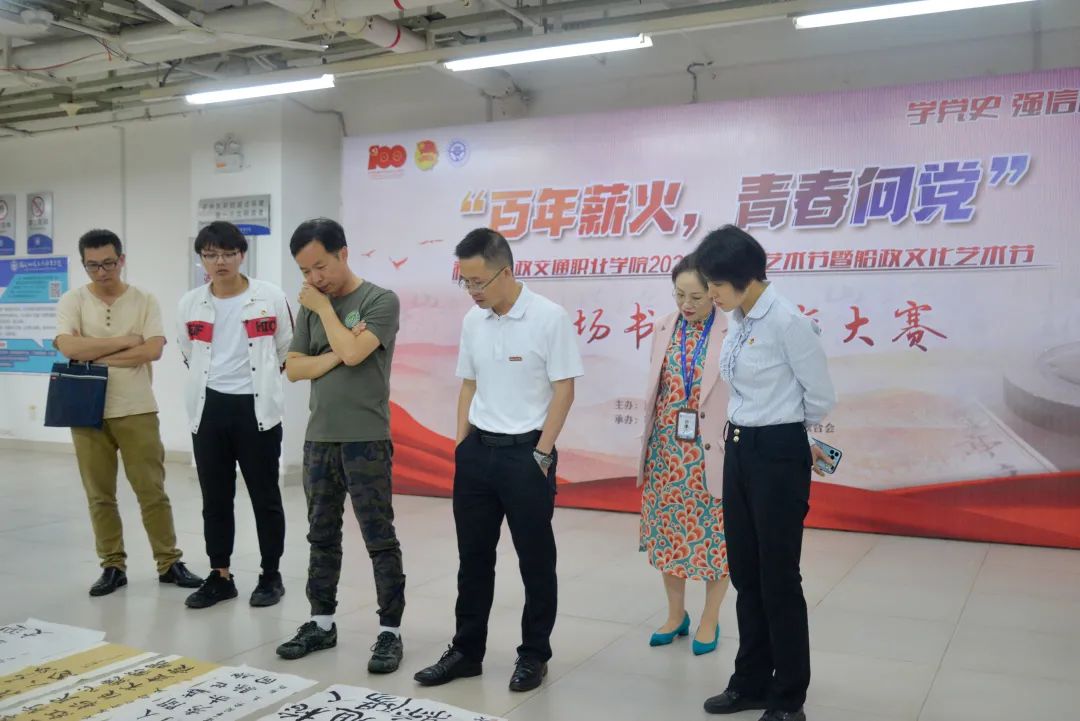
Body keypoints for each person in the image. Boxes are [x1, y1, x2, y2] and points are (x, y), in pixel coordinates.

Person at [413, 228, 583, 693]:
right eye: (464, 281)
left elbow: (564, 389)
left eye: (478, 281)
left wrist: (542, 452)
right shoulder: (474, 320)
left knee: (535, 561)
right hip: (477, 455)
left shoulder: (548, 317)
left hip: (526, 456)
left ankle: (534, 654)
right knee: (472, 560)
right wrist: (461, 446)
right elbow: (468, 384)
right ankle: (466, 651)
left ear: (505, 272)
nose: (472, 290)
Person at [695, 226, 836, 721]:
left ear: (745, 278)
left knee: (778, 577)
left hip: (778, 453)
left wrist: (791, 433)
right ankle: (750, 681)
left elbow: (820, 397)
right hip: (739, 448)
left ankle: (788, 697)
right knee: (746, 573)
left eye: (715, 284)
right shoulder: (737, 318)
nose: (710, 294)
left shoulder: (788, 322)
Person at [277, 218, 406, 675]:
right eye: (305, 271)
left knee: (378, 537)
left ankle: (390, 631)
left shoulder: (380, 301)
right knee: (321, 535)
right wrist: (339, 349)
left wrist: (327, 317)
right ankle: (321, 622)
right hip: (319, 439)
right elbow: (294, 368)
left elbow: (355, 355)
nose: (314, 279)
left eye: (320, 266)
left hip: (366, 439)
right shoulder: (312, 305)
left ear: (343, 254)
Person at [54, 229, 202, 597]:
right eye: (92, 265)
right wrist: (124, 342)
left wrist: (92, 353)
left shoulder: (144, 300)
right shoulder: (73, 300)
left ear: (121, 260)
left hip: (136, 408)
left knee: (152, 491)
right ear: (84, 264)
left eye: (108, 263)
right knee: (99, 494)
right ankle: (112, 565)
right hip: (86, 409)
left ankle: (168, 562)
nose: (101, 272)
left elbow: (152, 350)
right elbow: (68, 347)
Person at [176, 221, 293, 610]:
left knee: (265, 496)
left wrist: (262, 383)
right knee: (215, 498)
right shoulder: (190, 303)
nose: (220, 262)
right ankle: (220, 575)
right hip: (208, 408)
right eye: (210, 255)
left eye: (228, 253)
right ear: (201, 258)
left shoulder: (269, 296)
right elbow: (187, 351)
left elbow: (286, 347)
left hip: (256, 408)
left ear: (243, 255)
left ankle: (271, 575)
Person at [638, 253, 730, 656]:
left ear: (714, 293)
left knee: (716, 540)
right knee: (669, 536)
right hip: (666, 454)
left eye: (696, 296)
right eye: (679, 295)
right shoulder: (664, 326)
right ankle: (676, 615)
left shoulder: (732, 330)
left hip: (710, 454)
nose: (686, 304)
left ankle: (710, 617)